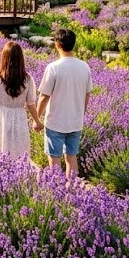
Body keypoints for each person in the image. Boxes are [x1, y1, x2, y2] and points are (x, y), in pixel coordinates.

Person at [38, 28, 93, 178]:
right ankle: (72, 191)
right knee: (71, 157)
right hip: (75, 121)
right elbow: (87, 94)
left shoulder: (53, 68)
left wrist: (36, 118)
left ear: (57, 44)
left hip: (55, 121)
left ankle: (57, 192)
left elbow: (44, 96)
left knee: (54, 159)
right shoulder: (84, 67)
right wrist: (80, 113)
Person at [0, 42, 43, 158]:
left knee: (0, 151)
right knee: (19, 152)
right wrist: (37, 121)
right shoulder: (28, 79)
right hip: (19, 118)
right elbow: (31, 104)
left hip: (1, 117)